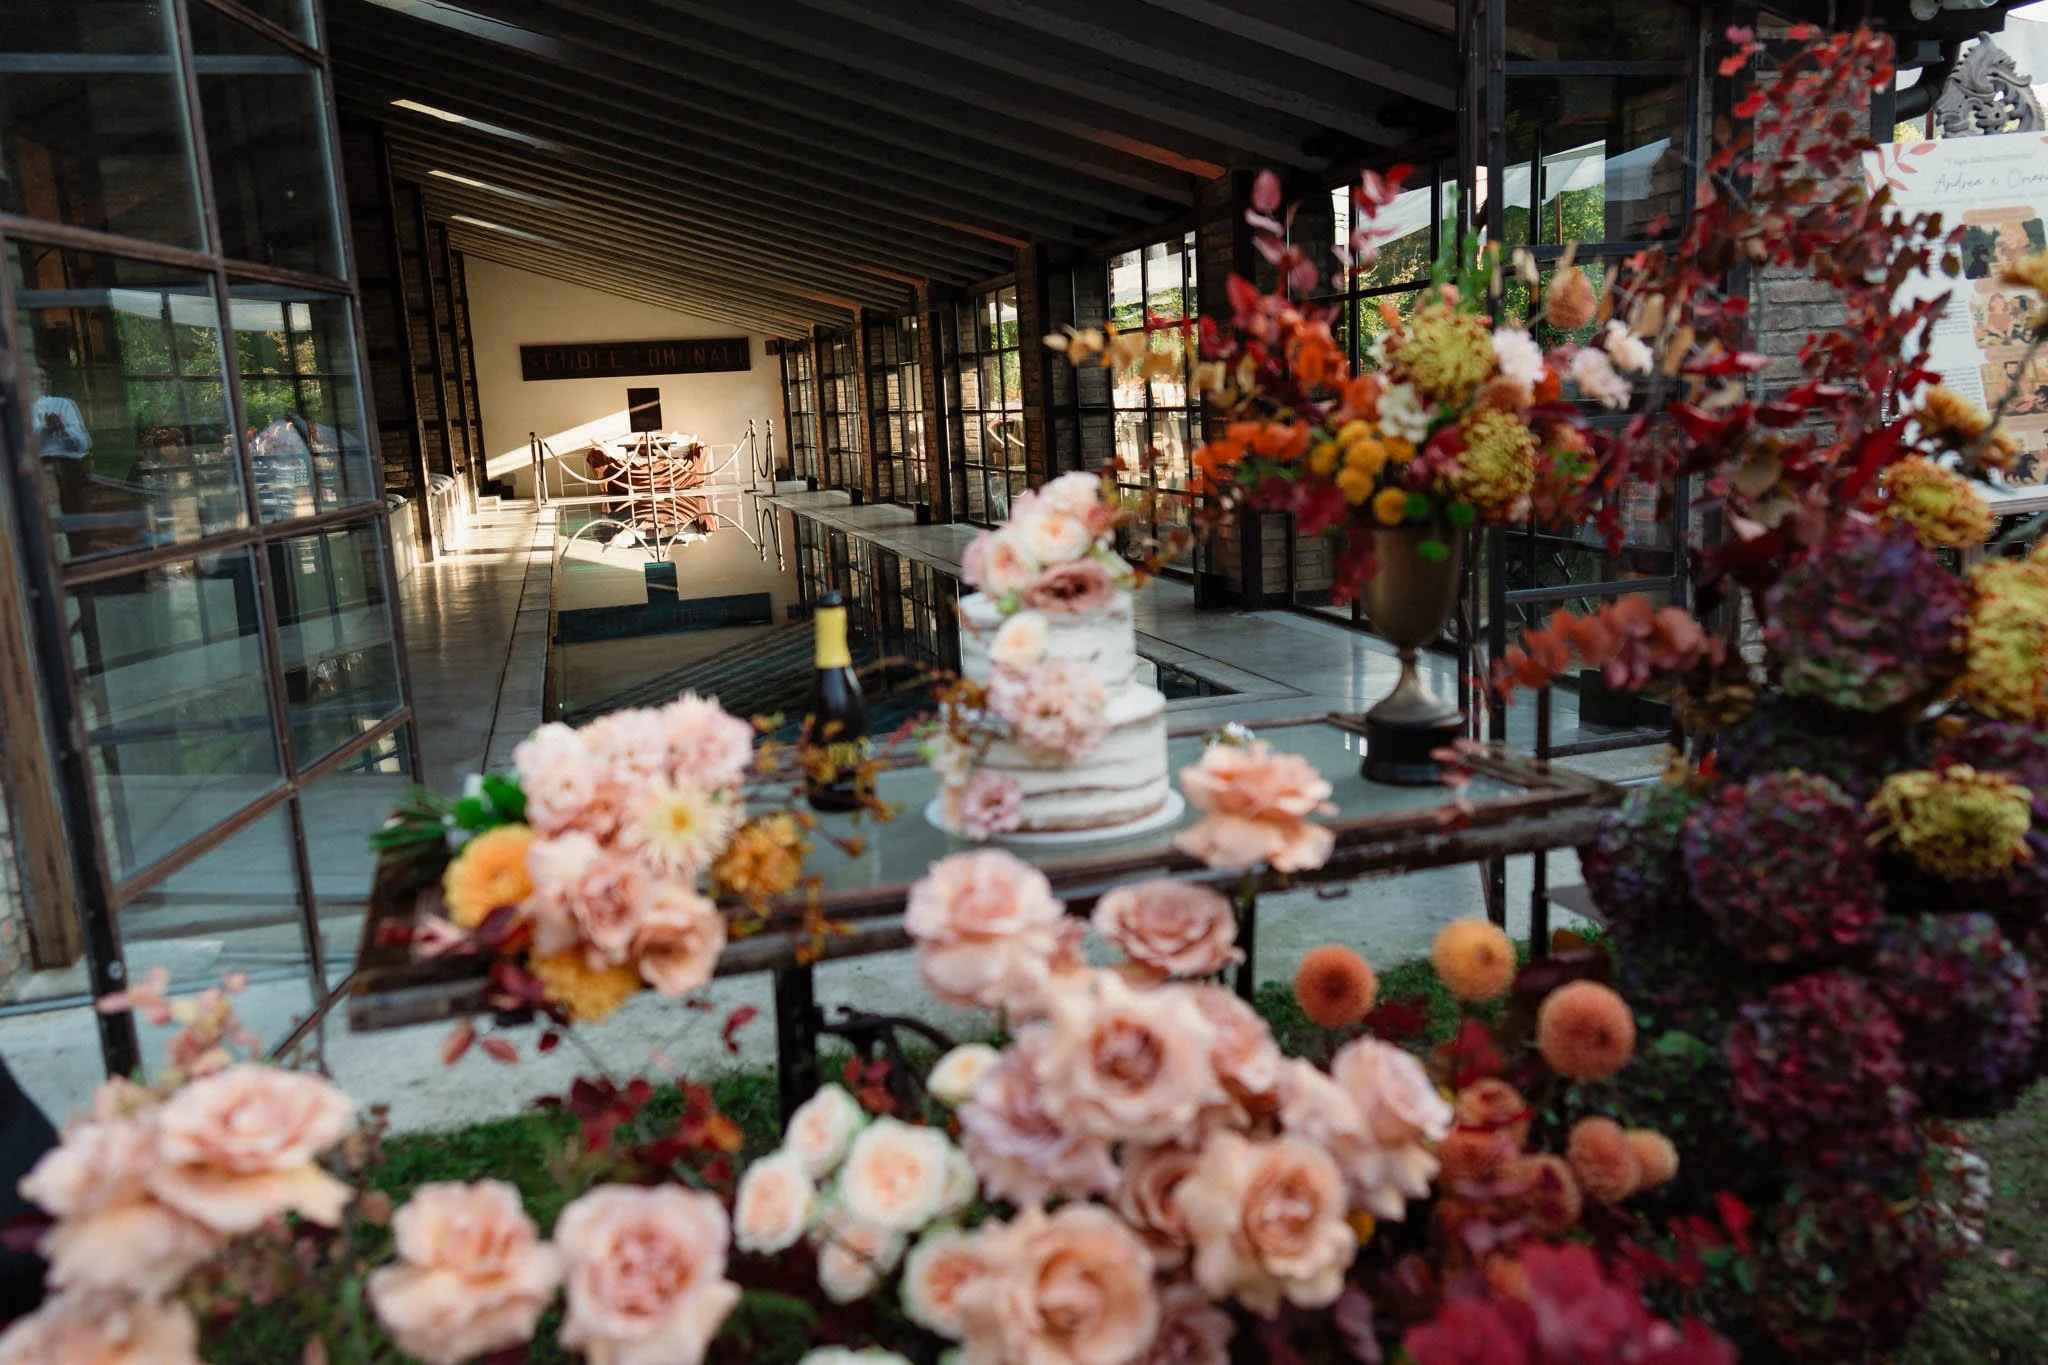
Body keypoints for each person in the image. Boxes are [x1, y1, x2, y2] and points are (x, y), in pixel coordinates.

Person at [28, 364, 90, 517]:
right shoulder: (22, 410)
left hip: (71, 468)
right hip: (42, 469)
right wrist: (46, 429)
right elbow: (25, 447)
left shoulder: (64, 404)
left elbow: (84, 444)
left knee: (77, 516)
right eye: (34, 378)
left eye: (44, 377)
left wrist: (64, 429)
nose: (41, 382)